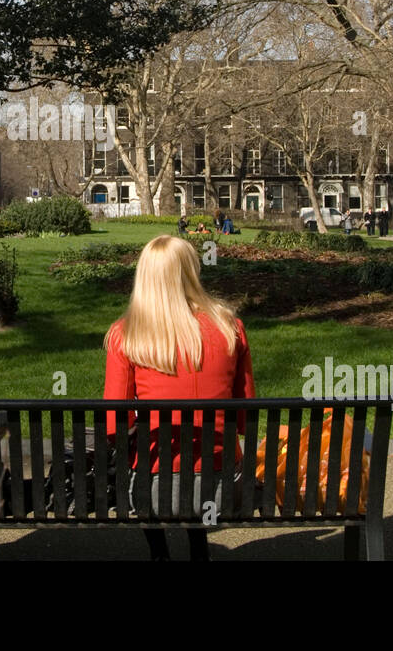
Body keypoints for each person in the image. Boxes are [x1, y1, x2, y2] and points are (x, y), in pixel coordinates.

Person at [104, 235, 255, 561]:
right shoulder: (231, 327)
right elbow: (245, 418)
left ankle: (160, 554)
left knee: (139, 453)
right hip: (223, 483)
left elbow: (114, 424)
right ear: (191, 272)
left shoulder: (125, 334)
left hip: (154, 487)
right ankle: (198, 551)